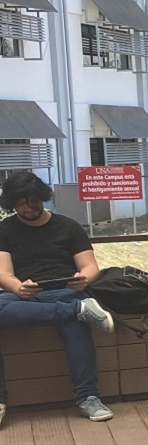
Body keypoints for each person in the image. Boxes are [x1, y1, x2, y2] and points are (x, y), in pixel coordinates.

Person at [0, 173, 117, 427]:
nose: (27, 208)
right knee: (4, 308)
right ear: (12, 204)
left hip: (63, 289)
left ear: (43, 198)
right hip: (22, 295)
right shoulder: (5, 229)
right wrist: (19, 288)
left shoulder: (68, 226)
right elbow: (3, 273)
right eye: (20, 203)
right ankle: (78, 310)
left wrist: (83, 280)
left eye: (32, 201)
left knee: (76, 327)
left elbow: (89, 266)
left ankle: (88, 398)